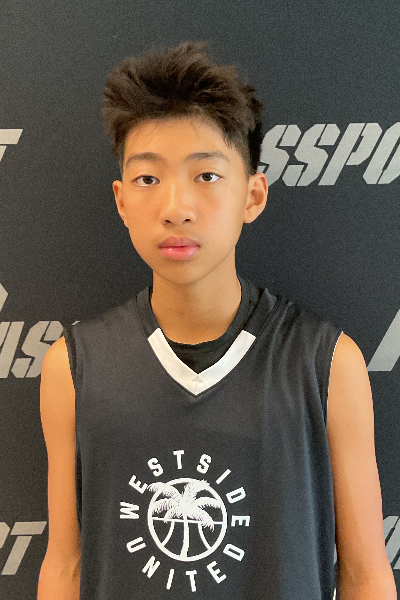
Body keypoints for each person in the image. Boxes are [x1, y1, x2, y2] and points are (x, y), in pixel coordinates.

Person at [37, 41, 396, 600]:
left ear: (252, 195)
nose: (176, 208)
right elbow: (65, 566)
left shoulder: (326, 364)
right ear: (121, 201)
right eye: (148, 179)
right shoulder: (73, 368)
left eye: (206, 175)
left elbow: (366, 574)